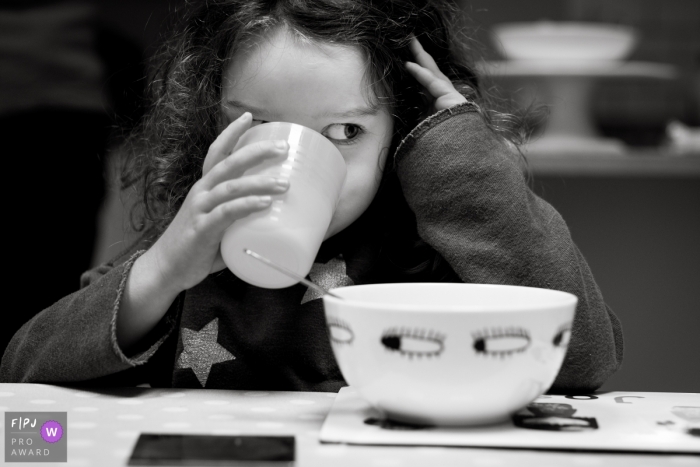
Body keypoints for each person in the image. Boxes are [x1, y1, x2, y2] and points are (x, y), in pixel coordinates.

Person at [1, 0, 623, 393]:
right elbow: (23, 369)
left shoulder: (432, 252)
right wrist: (162, 268)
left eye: (345, 133)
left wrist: (467, 171)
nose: (295, 161)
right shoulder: (194, 250)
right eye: (261, 127)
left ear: (402, 131)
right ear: (208, 125)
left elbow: (586, 360)